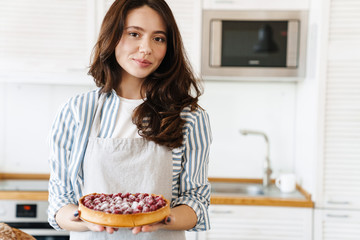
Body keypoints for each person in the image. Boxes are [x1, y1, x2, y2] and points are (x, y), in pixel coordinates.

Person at [47, 0, 212, 239]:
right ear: (112, 37)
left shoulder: (189, 116)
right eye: (134, 34)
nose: (146, 48)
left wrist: (160, 218)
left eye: (159, 38)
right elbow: (59, 201)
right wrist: (88, 219)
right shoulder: (77, 111)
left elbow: (195, 199)